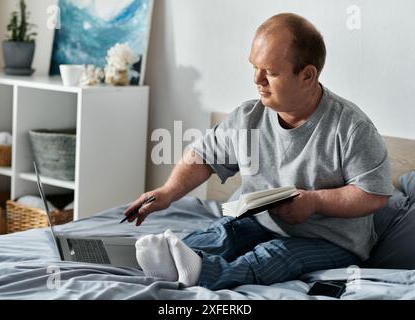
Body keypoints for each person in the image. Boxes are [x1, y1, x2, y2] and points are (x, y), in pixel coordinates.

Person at [124, 13, 393, 290]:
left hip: (330, 241)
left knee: (273, 256)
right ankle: (170, 256)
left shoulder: (351, 128)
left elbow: (374, 194)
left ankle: (201, 273)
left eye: (271, 72)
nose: (257, 79)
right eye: (255, 67)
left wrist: (314, 202)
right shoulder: (248, 117)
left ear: (307, 76)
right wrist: (168, 192)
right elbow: (201, 156)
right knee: (224, 233)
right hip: (263, 223)